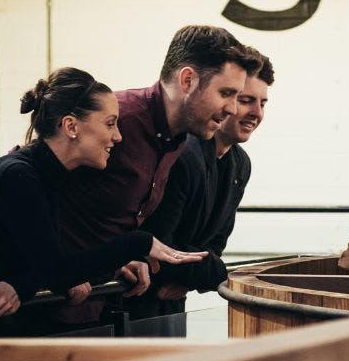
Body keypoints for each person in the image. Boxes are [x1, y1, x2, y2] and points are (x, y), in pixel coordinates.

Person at [0, 67, 205, 336]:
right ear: (71, 126)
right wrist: (137, 243)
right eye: (110, 124)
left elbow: (44, 263)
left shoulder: (46, 176)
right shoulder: (21, 177)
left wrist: (22, 285)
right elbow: (56, 271)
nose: (118, 137)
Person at [56, 25, 261, 323]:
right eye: (226, 93)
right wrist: (45, 271)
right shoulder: (121, 119)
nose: (232, 109)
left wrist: (121, 261)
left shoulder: (174, 140)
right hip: (45, 309)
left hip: (97, 307)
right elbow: (26, 177)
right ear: (187, 80)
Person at [133, 49, 274, 317]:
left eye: (263, 103)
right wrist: (212, 272)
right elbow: (161, 244)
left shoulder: (240, 163)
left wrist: (190, 277)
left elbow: (217, 242)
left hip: (174, 299)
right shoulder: (183, 154)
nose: (255, 112)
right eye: (245, 100)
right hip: (136, 299)